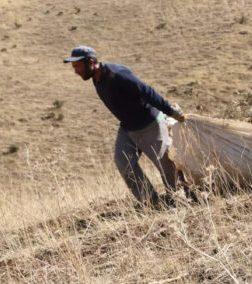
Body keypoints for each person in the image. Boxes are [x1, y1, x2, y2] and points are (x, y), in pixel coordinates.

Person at [64, 46, 187, 208]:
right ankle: (150, 201)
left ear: (91, 62)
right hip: (128, 127)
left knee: (165, 163)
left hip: (150, 124)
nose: (76, 71)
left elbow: (146, 91)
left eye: (78, 66)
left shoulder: (117, 74)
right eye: (74, 67)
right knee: (123, 161)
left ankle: (180, 198)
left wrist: (170, 111)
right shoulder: (96, 78)